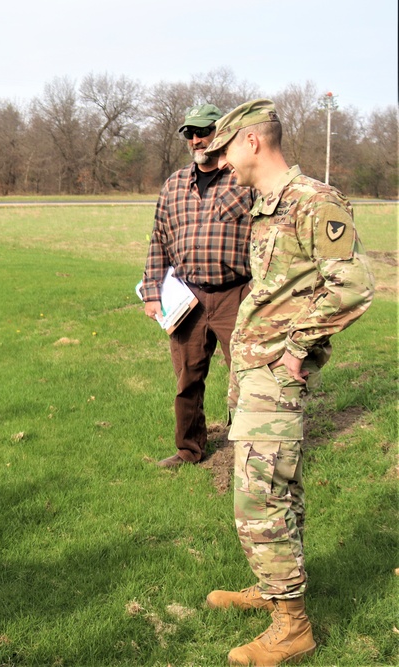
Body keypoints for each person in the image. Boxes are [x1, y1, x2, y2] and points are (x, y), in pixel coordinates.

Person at [202, 99, 375, 666]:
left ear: (252, 142)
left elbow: (351, 287)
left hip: (276, 374)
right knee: (279, 492)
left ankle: (293, 626)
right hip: (254, 371)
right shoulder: (267, 205)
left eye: (225, 148)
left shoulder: (315, 202)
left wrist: (299, 347)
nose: (222, 162)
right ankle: (274, 590)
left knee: (259, 500)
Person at [140, 104, 254, 468]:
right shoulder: (174, 184)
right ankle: (189, 450)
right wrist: (153, 293)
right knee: (187, 379)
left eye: (202, 131)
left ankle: (250, 452)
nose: (196, 139)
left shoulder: (243, 179)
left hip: (236, 294)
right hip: (187, 297)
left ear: (219, 133)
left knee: (248, 376)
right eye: (189, 133)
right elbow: (158, 240)